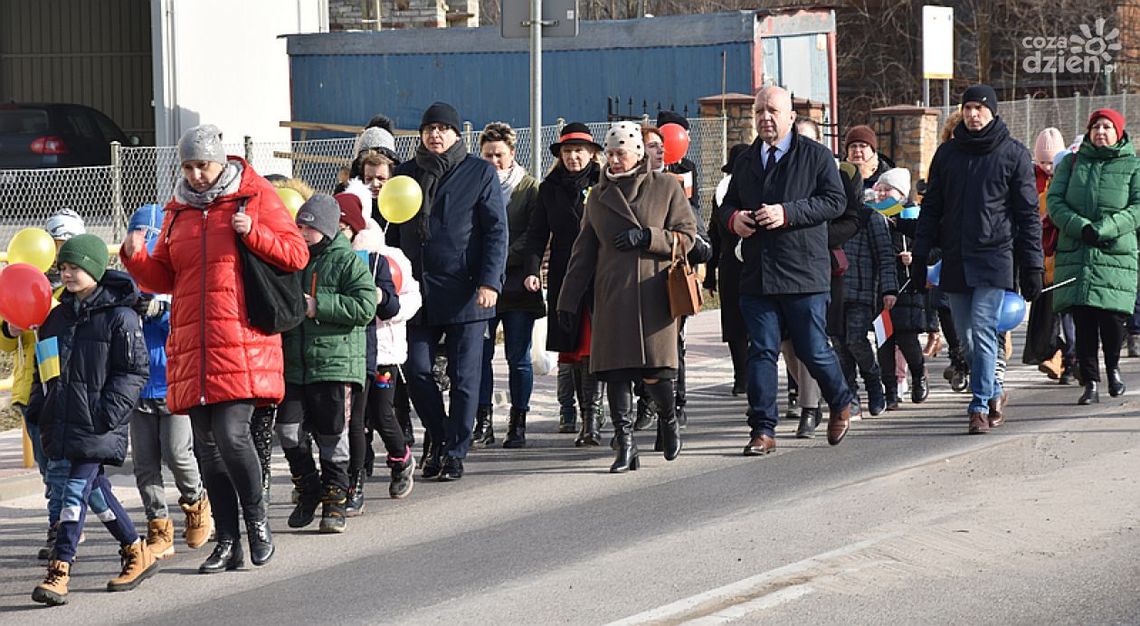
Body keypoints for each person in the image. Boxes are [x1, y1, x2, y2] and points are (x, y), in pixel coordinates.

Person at [121, 123, 309, 572]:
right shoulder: (178, 210)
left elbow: (296, 254)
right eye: (188, 167)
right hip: (194, 344)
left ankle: (257, 522)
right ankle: (226, 540)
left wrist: (254, 233)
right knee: (206, 447)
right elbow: (166, 277)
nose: (195, 175)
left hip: (242, 341)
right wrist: (136, 257)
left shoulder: (253, 196)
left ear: (220, 161)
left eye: (202, 165)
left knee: (231, 434)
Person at [718, 85, 855, 453]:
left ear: (791, 117)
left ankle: (840, 400)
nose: (765, 118)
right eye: (759, 111)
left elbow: (835, 202)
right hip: (758, 274)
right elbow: (726, 205)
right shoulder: (747, 160)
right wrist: (734, 219)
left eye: (773, 111)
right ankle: (763, 430)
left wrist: (787, 213)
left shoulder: (815, 156)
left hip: (803, 273)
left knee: (812, 349)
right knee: (761, 351)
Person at [557, 121, 696, 472]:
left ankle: (668, 418)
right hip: (612, 295)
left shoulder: (665, 186)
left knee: (658, 372)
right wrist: (567, 301)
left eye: (621, 153)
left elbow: (687, 237)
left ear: (638, 153)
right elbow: (583, 252)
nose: (615, 160)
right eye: (610, 153)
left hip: (654, 294)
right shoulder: (598, 196)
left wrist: (649, 237)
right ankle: (626, 445)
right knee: (615, 372)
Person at [29, 234, 154, 606]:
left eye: (75, 267)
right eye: (63, 268)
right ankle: (136, 549)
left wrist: (107, 414)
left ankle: (59, 569)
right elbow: (43, 370)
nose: (67, 274)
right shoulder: (56, 318)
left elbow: (133, 372)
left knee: (72, 493)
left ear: (96, 269)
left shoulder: (121, 316)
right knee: (95, 493)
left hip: (98, 424)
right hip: (64, 420)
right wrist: (40, 407)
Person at [387, 102, 508, 482]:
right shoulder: (405, 175)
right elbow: (392, 234)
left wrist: (490, 282)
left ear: (457, 134)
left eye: (442, 128)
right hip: (417, 293)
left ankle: (455, 452)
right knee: (416, 370)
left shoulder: (479, 172)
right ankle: (439, 437)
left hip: (466, 292)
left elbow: (496, 231)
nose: (435, 135)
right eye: (429, 129)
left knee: (464, 378)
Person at [913, 85, 1044, 434]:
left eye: (980, 108)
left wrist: (1032, 265)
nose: (973, 114)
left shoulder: (1013, 154)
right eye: (968, 108)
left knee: (984, 330)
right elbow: (932, 208)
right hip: (956, 257)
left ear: (992, 112)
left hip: (994, 257)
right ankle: (994, 389)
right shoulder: (948, 154)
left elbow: (1028, 214)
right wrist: (921, 254)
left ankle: (979, 406)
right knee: (967, 339)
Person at [276, 194, 376, 533]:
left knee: (332, 435)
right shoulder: (292, 261)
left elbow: (365, 307)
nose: (302, 233)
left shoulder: (347, 261)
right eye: (299, 226)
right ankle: (308, 488)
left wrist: (317, 305)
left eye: (309, 228)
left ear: (328, 229)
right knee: (288, 431)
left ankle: (335, 501)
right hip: (295, 364)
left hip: (334, 364)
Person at [124, 204, 213, 560]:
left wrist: (161, 311)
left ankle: (196, 503)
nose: (142, 245)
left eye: (150, 238)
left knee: (177, 454)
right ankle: (158, 527)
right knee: (144, 465)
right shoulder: (127, 285)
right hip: (138, 387)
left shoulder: (179, 279)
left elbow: (193, 317)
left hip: (173, 383)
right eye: (138, 237)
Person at [3, 207, 84, 559]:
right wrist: (10, 329)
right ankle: (63, 526)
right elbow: (7, 343)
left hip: (59, 391)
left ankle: (62, 530)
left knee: (63, 469)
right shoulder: (26, 282)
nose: (60, 255)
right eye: (55, 244)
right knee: (48, 469)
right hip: (30, 393)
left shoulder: (71, 295)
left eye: (66, 244)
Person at [1048, 108, 1140, 405]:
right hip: (1077, 252)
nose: (1100, 132)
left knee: (1112, 320)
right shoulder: (1072, 163)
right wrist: (1081, 227)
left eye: (1106, 127)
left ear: (1118, 133)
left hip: (1115, 254)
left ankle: (1113, 368)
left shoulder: (1133, 165)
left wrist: (1105, 229)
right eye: (1096, 127)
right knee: (1083, 322)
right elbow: (1055, 202)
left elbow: (1137, 207)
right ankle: (1090, 382)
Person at [523, 122, 605, 446]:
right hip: (564, 274)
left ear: (591, 153)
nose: (573, 157)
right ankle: (576, 414)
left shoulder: (603, 182)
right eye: (568, 151)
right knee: (571, 348)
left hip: (599, 274)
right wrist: (532, 270)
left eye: (579, 151)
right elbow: (537, 234)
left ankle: (592, 420)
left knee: (591, 347)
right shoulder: (549, 188)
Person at [338, 185, 420, 500]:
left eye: (345, 228)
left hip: (384, 349)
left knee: (383, 413)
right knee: (356, 419)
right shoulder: (332, 259)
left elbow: (407, 298)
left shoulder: (384, 258)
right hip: (352, 352)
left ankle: (401, 459)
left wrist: (386, 303)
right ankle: (354, 479)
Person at [475, 122, 542, 448]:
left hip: (517, 283)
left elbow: (534, 233)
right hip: (483, 284)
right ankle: (483, 421)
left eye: (499, 155)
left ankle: (518, 422)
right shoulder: (474, 185)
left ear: (512, 153)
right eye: (487, 155)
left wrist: (500, 257)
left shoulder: (529, 188)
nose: (493, 161)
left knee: (518, 356)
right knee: (480, 355)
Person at [835, 165, 898, 418]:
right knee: (839, 345)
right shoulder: (829, 216)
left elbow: (885, 256)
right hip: (832, 292)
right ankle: (850, 395)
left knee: (855, 340)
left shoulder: (871, 217)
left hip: (861, 291)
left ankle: (873, 381)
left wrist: (889, 289)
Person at [872, 168, 930, 408]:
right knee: (884, 342)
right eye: (880, 189)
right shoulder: (873, 216)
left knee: (907, 339)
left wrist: (915, 258)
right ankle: (890, 391)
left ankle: (918, 375)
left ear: (901, 194)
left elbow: (933, 249)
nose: (882, 194)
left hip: (907, 287)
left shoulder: (913, 215)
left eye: (888, 190)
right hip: (879, 286)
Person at [705, 143, 751, 395]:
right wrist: (710, 273)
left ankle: (742, 377)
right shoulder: (726, 190)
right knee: (741, 321)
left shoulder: (723, 190)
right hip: (742, 262)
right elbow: (714, 233)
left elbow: (714, 234)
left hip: (732, 263)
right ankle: (744, 376)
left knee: (737, 322)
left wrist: (710, 272)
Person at [1026, 128, 1069, 381]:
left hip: (1060, 257)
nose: (1048, 167)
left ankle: (1064, 357)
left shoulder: (1065, 178)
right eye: (1043, 162)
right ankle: (1057, 356)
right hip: (1041, 257)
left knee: (1062, 317)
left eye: (1052, 162)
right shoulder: (1032, 179)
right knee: (1044, 317)